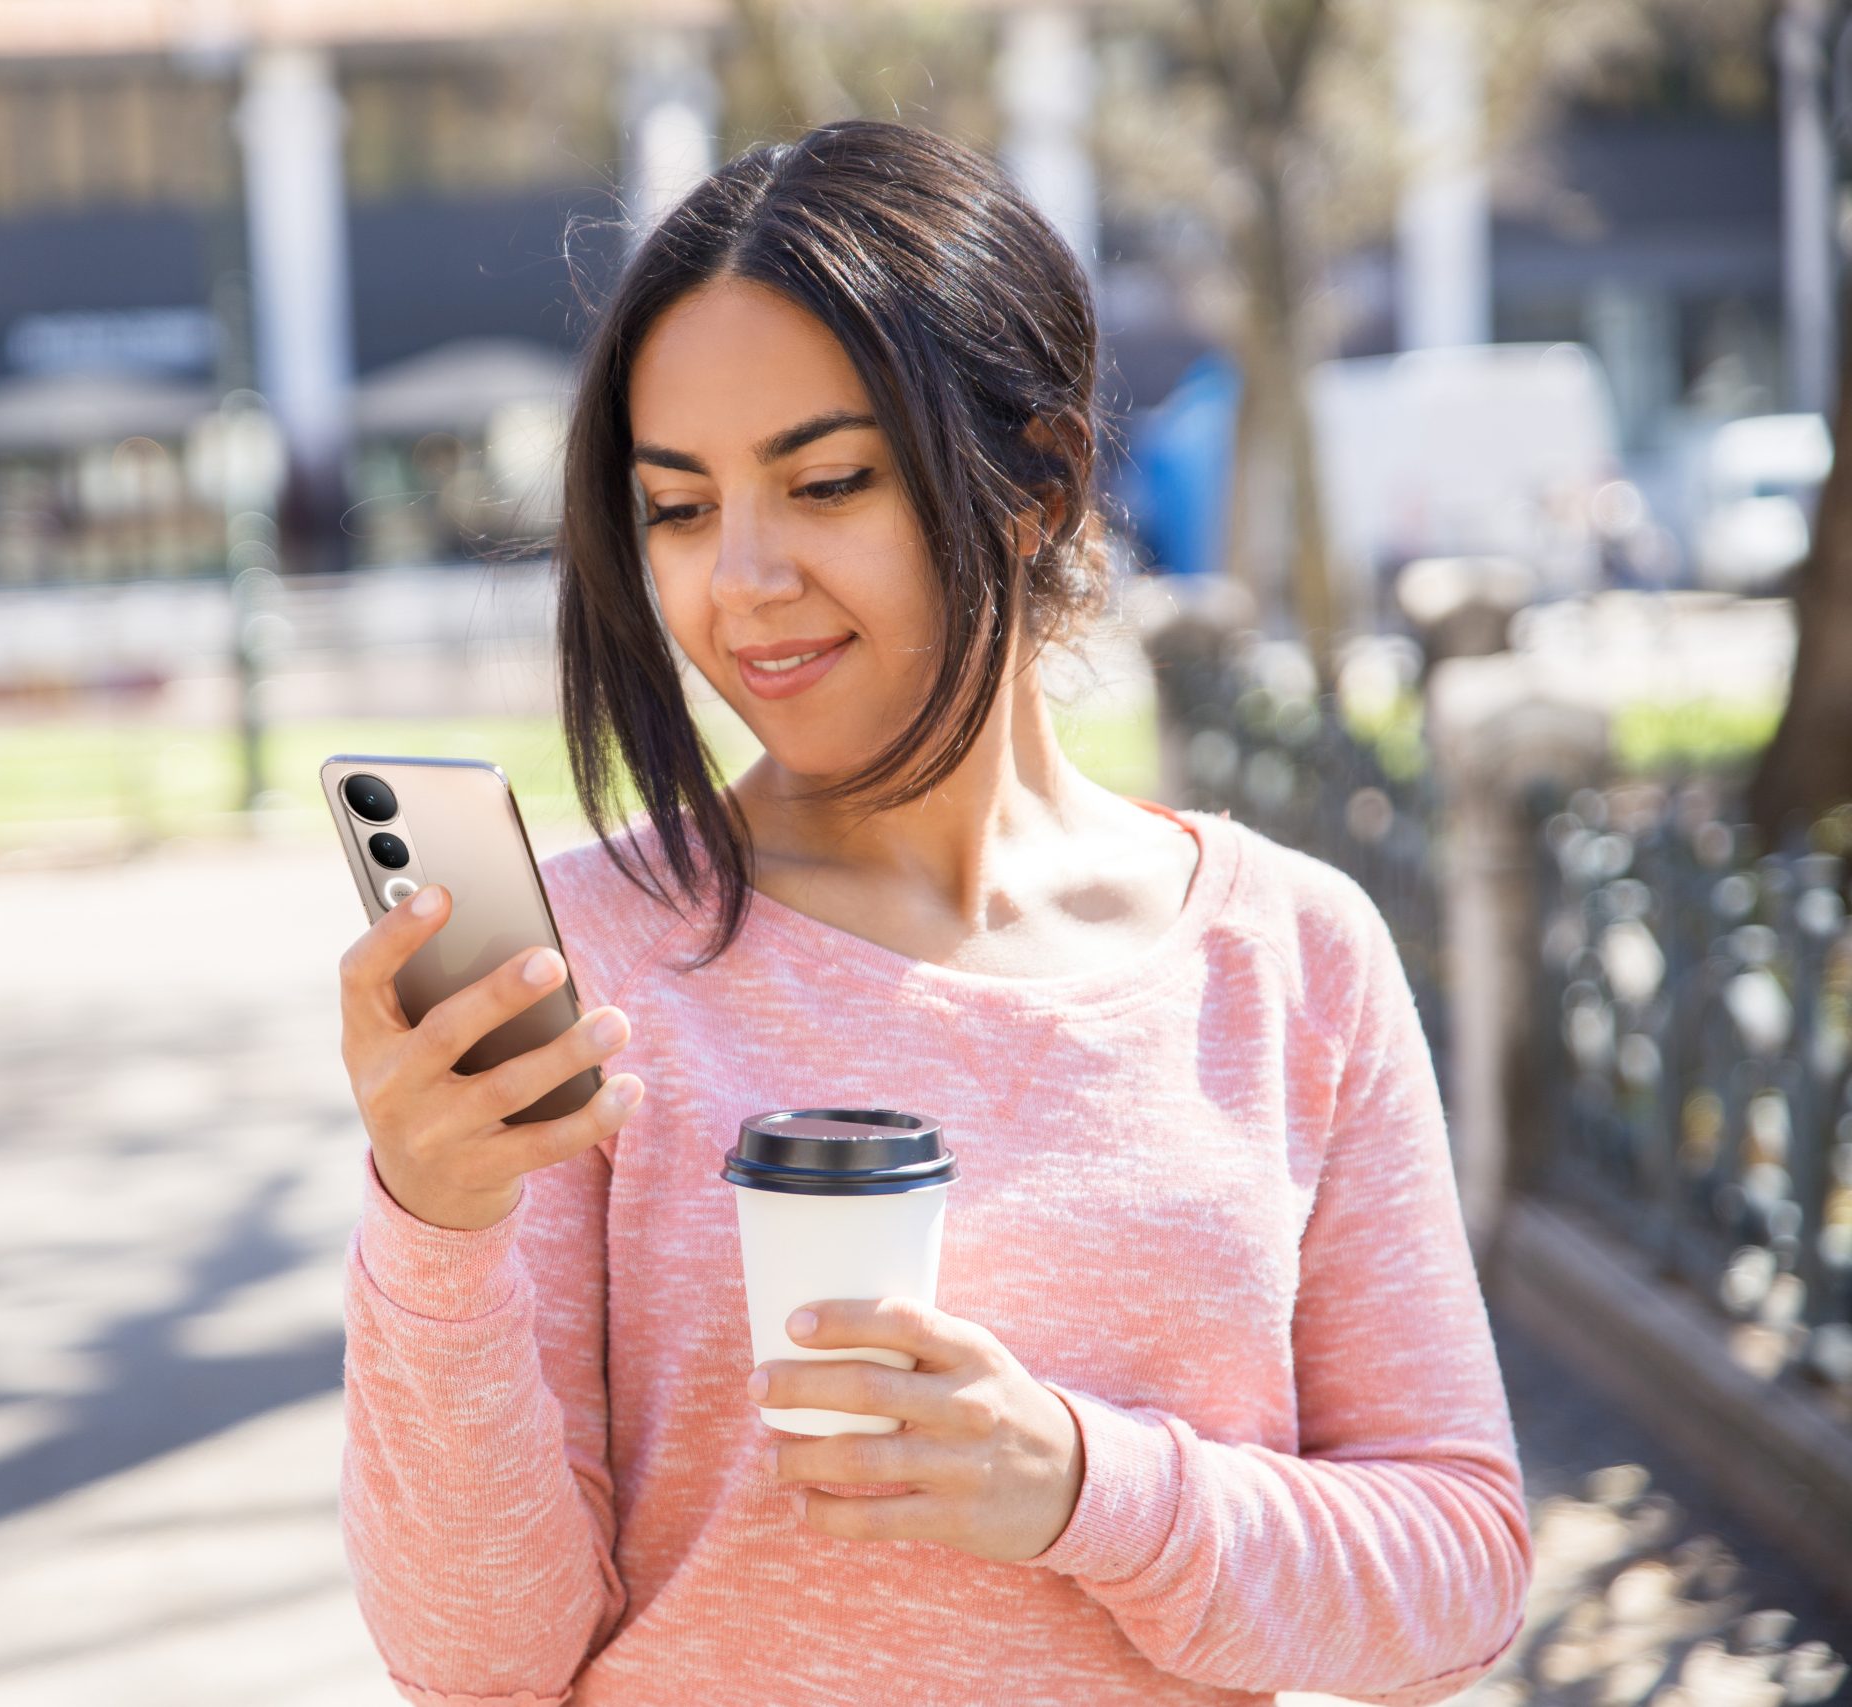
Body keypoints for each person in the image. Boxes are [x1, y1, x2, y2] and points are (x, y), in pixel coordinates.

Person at [332, 121, 1531, 1707]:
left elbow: (1458, 1576)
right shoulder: (586, 970)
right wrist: (432, 1229)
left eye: (824, 483)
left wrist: (1091, 1492)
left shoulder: (1289, 958)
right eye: (677, 508)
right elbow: (482, 1663)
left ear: (1034, 480)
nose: (738, 579)